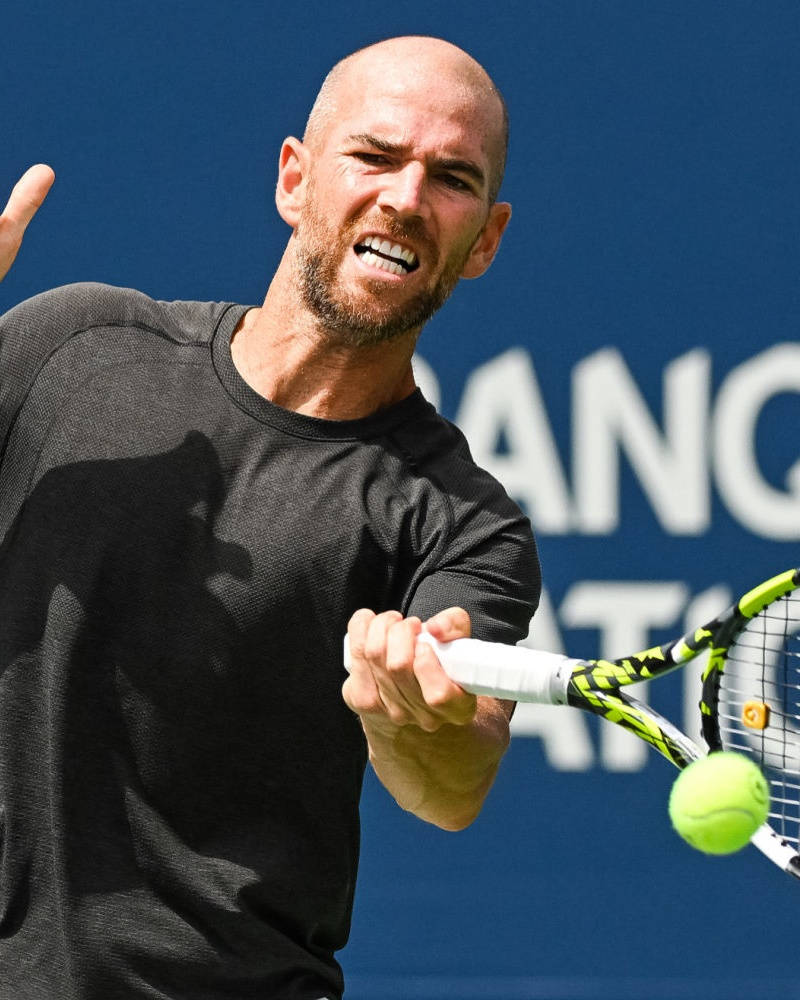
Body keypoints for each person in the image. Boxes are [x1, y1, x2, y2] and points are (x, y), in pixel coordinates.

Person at [0, 35, 539, 1000]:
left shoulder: (463, 524)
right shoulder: (69, 342)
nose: (407, 198)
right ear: (294, 180)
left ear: (486, 238)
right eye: (374, 156)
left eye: (450, 178)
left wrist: (418, 720)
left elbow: (455, 782)